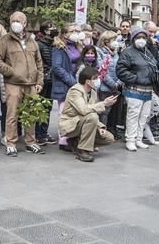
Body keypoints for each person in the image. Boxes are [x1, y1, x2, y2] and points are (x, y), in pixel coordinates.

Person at [0, 11, 44, 156]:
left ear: (25, 24)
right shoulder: (4, 41)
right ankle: (11, 143)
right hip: (13, 83)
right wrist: (10, 71)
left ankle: (31, 142)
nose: (15, 23)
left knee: (31, 114)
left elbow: (39, 63)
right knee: (12, 114)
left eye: (18, 20)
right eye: (13, 20)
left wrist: (39, 81)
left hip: (31, 84)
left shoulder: (32, 41)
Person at [59, 66, 117, 163]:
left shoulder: (93, 93)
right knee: (92, 117)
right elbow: (83, 110)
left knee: (109, 138)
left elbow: (92, 112)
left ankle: (75, 142)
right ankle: (82, 150)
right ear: (87, 81)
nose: (98, 80)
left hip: (83, 122)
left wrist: (100, 127)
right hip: (70, 125)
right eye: (95, 78)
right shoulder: (75, 91)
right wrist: (104, 103)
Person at [116, 27, 159, 151]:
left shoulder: (147, 52)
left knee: (144, 116)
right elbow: (121, 70)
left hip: (148, 89)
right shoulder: (127, 52)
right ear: (133, 38)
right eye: (138, 37)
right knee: (133, 115)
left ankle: (139, 139)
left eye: (143, 37)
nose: (141, 40)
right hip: (134, 89)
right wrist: (136, 78)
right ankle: (130, 139)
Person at [49, 23, 83, 151]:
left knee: (76, 112)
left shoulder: (77, 46)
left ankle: (73, 137)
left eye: (76, 30)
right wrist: (72, 81)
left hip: (77, 83)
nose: (75, 33)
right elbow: (57, 68)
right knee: (63, 112)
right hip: (65, 84)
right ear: (64, 34)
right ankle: (63, 140)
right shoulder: (58, 48)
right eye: (72, 31)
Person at [35, 22, 56, 143]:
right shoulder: (39, 44)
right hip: (42, 79)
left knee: (48, 106)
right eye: (50, 28)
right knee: (40, 106)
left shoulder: (53, 44)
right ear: (44, 31)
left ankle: (43, 132)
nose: (53, 29)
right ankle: (38, 134)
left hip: (51, 79)